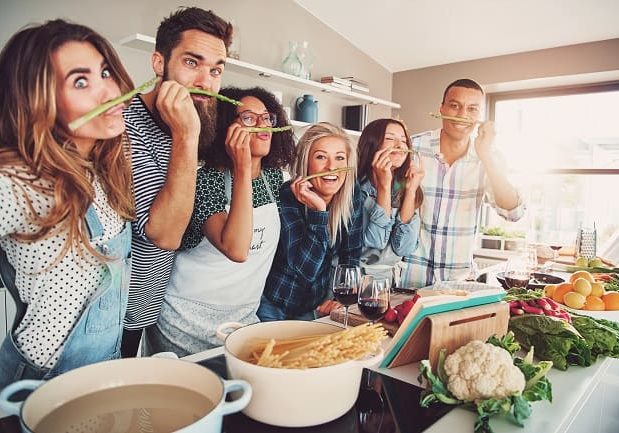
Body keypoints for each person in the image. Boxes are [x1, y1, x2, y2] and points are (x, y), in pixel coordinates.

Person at [0, 20, 134, 388]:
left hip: (104, 367)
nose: (109, 92)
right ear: (37, 99)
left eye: (105, 72)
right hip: (39, 380)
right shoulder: (20, 180)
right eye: (80, 81)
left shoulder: (107, 171)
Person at [142, 87, 295, 356]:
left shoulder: (274, 179)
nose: (262, 125)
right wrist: (242, 168)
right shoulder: (204, 180)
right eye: (248, 118)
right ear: (224, 127)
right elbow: (235, 248)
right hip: (185, 321)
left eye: (267, 117)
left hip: (243, 319)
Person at [121, 7, 233, 357]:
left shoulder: (187, 121)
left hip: (146, 310)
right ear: (159, 63)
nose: (206, 81)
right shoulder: (123, 126)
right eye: (191, 63)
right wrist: (187, 135)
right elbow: (165, 234)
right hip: (108, 316)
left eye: (216, 69)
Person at [401, 78, 525, 288]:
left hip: (457, 287)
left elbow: (513, 212)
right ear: (441, 108)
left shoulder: (489, 156)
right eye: (454, 106)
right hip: (406, 281)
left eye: (472, 109)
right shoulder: (411, 148)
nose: (462, 115)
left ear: (480, 116)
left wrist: (485, 156)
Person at [258, 122, 363, 321]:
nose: (331, 167)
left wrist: (343, 297)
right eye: (321, 157)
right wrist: (318, 212)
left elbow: (351, 254)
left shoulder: (351, 194)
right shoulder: (287, 196)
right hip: (274, 305)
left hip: (315, 306)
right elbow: (305, 269)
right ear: (307, 163)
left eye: (340, 158)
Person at [356, 118, 424, 274]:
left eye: (403, 140)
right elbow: (376, 241)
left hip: (387, 284)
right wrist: (383, 187)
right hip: (354, 282)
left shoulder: (403, 187)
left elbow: (404, 248)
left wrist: (411, 191)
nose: (399, 146)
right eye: (389, 138)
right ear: (372, 144)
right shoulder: (355, 190)